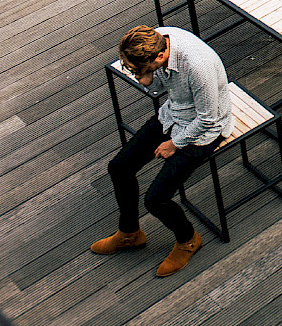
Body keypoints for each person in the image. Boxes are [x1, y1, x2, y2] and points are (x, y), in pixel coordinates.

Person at [91, 26, 233, 277]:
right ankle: (130, 233)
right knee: (119, 167)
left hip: (203, 131)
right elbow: (163, 87)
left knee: (156, 199)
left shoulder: (197, 67)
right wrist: (148, 80)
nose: (137, 74)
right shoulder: (159, 38)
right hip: (173, 114)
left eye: (140, 69)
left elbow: (209, 119)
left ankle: (188, 239)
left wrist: (175, 143)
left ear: (158, 57)